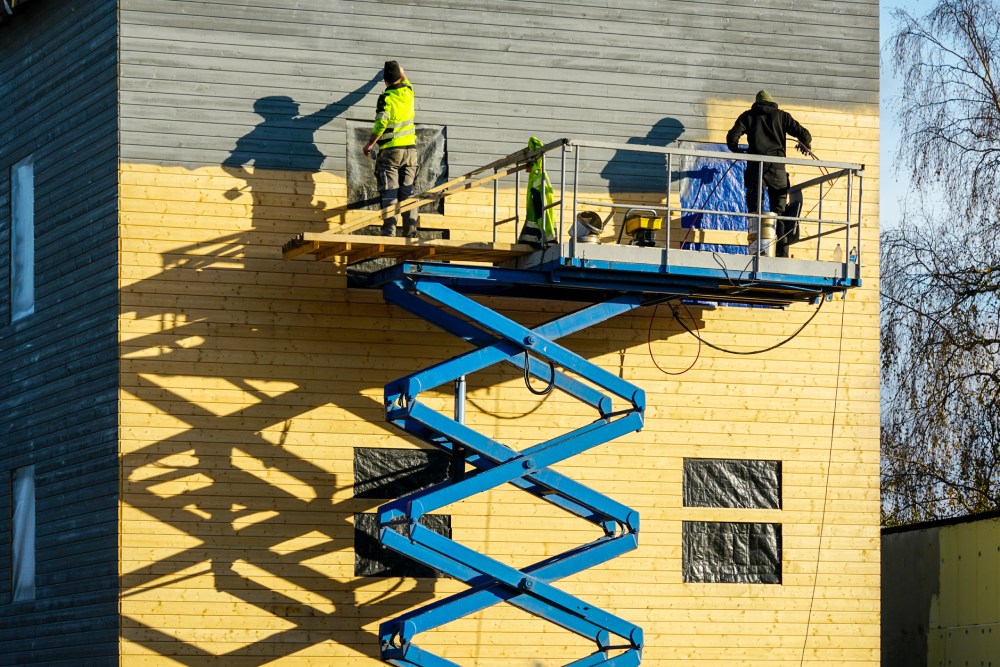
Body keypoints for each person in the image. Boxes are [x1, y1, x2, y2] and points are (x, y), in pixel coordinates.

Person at [726, 90, 811, 257]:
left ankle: (757, 250)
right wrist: (804, 143)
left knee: (755, 209)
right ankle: (781, 251)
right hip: (777, 169)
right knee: (779, 211)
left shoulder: (748, 116)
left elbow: (732, 138)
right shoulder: (782, 116)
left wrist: (738, 151)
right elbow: (805, 135)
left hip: (755, 168)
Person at [363, 61, 419, 238]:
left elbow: (381, 123)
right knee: (407, 192)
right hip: (411, 151)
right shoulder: (408, 92)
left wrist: (370, 144)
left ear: (385, 80)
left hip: (391, 152)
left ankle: (389, 233)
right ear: (399, 77)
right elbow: (405, 79)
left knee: (390, 191)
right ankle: (411, 232)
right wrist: (401, 71)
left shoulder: (386, 98)